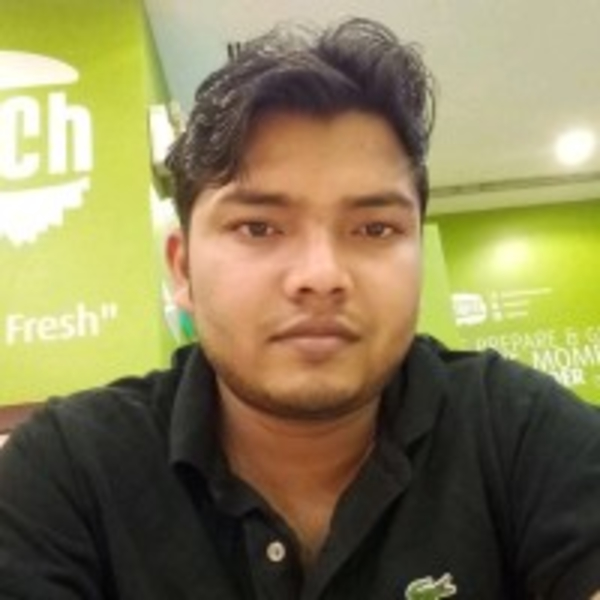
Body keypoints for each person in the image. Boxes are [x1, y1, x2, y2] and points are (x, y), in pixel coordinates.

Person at [1, 17, 599, 600]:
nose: (321, 277)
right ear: (182, 269)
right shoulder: (69, 470)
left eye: (374, 228)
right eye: (258, 227)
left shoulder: (518, 430)